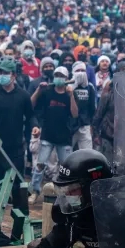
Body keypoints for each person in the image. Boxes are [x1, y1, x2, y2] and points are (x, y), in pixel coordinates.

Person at [0, 57, 35, 216]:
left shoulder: (23, 95)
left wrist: (35, 127)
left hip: (16, 148)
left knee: (18, 187)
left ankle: (21, 223)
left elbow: (30, 115)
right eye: (0, 72)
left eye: (6, 73)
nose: (2, 75)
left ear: (13, 75)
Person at [30, 66, 79, 199]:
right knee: (40, 164)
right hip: (47, 134)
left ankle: (67, 194)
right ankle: (34, 191)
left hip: (64, 136)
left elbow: (75, 114)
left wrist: (71, 96)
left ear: (66, 79)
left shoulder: (70, 94)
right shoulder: (47, 92)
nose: (59, 78)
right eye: (57, 75)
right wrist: (39, 89)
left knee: (66, 168)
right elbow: (31, 104)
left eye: (62, 76)